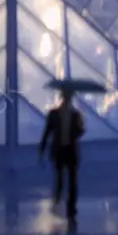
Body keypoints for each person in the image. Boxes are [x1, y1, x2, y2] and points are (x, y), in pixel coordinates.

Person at [38, 89, 85, 221]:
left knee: (70, 179)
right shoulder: (56, 114)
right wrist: (42, 147)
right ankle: (61, 202)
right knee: (63, 178)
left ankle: (69, 206)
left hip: (67, 151)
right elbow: (47, 132)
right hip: (62, 151)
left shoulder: (75, 114)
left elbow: (79, 132)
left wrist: (80, 127)